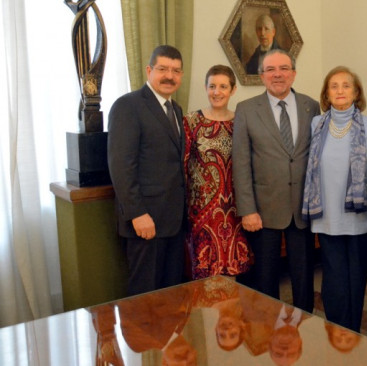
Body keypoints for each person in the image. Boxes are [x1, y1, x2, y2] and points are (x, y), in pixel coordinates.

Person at [232, 49, 320, 312]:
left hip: (302, 208)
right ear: (261, 76)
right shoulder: (246, 109)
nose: (277, 74)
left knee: (304, 276)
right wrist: (248, 210)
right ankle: (267, 329)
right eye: (270, 69)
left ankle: (306, 327)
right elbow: (241, 162)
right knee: (266, 277)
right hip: (263, 210)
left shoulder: (311, 106)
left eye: (283, 68)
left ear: (293, 74)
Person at [301, 66, 367, 332]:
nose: (340, 91)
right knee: (333, 279)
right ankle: (335, 334)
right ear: (326, 93)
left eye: (346, 85)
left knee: (355, 278)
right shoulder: (316, 125)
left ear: (356, 92)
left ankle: (353, 334)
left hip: (358, 217)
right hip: (326, 215)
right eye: (333, 86)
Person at [108, 45, 186, 296]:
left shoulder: (175, 109)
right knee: (144, 296)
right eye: (163, 69)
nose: (169, 76)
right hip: (145, 220)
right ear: (149, 70)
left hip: (173, 220)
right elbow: (121, 165)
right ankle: (142, 338)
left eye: (175, 70)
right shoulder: (127, 106)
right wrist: (137, 213)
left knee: (170, 294)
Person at [183, 65, 252, 280]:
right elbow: (182, 166)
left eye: (223, 86)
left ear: (233, 90)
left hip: (237, 211)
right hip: (201, 213)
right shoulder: (191, 121)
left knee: (234, 275)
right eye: (212, 86)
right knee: (204, 277)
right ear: (205, 88)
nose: (217, 92)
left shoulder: (241, 121)